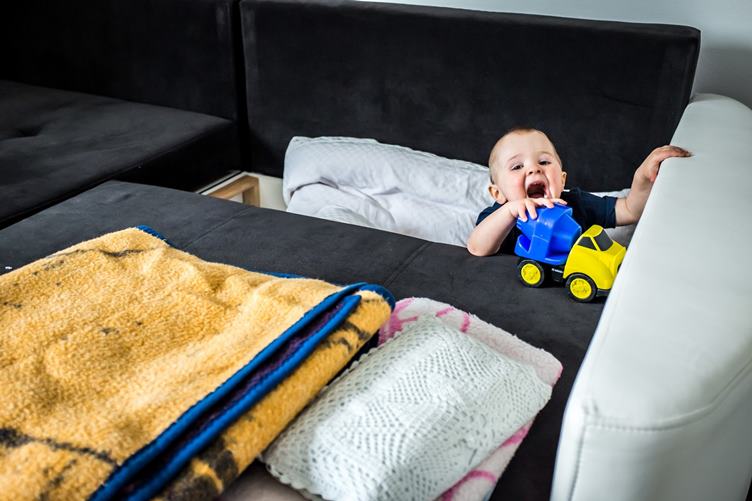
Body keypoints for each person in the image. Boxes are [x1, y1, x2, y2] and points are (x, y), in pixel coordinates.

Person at [466, 127, 690, 256]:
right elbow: (476, 248)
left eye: (544, 162)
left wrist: (641, 179)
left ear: (562, 179)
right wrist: (509, 212)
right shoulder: (499, 216)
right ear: (498, 194)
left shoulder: (576, 203)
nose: (534, 169)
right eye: (517, 167)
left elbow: (630, 210)